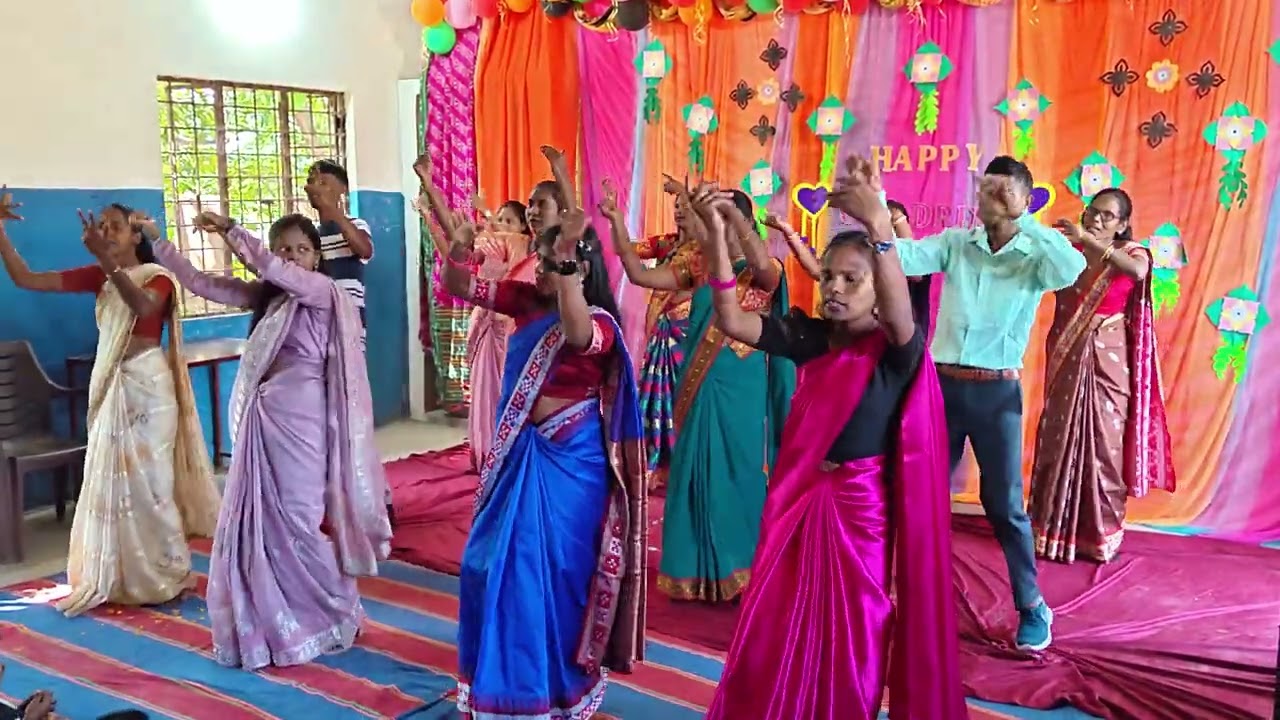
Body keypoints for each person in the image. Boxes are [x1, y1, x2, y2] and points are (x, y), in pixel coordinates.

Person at [700, 157, 965, 720]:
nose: (836, 289)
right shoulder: (813, 338)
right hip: (800, 502)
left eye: (852, 279)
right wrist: (718, 238)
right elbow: (733, 320)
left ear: (878, 287)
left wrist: (881, 229)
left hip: (860, 511)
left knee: (857, 629)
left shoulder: (897, 353)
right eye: (829, 278)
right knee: (780, 617)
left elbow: (899, 313)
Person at [431, 196, 647, 718]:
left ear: (580, 268)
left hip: (572, 465)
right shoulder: (525, 301)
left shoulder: (597, 322)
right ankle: (503, 683)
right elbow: (462, 287)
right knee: (487, 566)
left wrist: (567, 265)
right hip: (518, 456)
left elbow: (576, 334)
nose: (544, 273)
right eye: (546, 264)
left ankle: (552, 687)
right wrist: (459, 246)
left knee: (546, 575)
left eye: (555, 265)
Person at [150, 210, 391, 669]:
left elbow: (274, 270)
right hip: (264, 419)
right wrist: (156, 242)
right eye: (283, 248)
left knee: (299, 519)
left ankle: (334, 609)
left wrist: (233, 231)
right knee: (257, 524)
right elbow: (202, 283)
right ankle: (272, 620)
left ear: (317, 258)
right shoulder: (271, 298)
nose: (292, 257)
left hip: (303, 423)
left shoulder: (323, 292)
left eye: (302, 249)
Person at [893, 155, 1087, 652]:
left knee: (1003, 506)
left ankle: (1031, 607)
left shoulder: (1034, 256)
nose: (987, 199)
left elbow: (1073, 268)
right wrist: (877, 218)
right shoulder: (958, 244)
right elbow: (904, 258)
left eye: (1000, 192)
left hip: (997, 392)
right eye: (984, 190)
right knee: (922, 494)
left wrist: (1026, 223)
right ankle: (914, 599)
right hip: (942, 387)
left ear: (1023, 198)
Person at [0, 192, 219, 617]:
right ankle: (118, 576)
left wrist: (106, 262)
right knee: (114, 488)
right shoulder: (101, 274)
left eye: (114, 226)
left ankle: (160, 575)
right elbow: (27, 279)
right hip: (113, 386)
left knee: (150, 489)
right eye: (100, 227)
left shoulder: (157, 277)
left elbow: (140, 308)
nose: (105, 232)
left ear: (137, 234)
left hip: (149, 392)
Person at [612, 182, 795, 603]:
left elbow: (762, 266)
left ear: (745, 224)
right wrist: (617, 226)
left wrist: (732, 220)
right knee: (694, 470)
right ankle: (692, 571)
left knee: (740, 472)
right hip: (697, 384)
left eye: (728, 220)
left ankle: (741, 564)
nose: (718, 227)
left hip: (743, 392)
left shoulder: (765, 271)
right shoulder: (700, 267)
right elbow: (640, 274)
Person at [1030, 188, 1175, 563]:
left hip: (1109, 362)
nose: (1096, 219)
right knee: (1060, 438)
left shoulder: (1133, 253)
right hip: (1068, 354)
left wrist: (1092, 243)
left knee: (1104, 447)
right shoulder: (1071, 251)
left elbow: (1139, 273)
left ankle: (1099, 535)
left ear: (1123, 224)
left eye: (1107, 216)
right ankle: (1051, 532)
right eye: (1092, 212)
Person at [415, 154, 537, 470]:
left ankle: (508, 449)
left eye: (508, 219)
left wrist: (483, 213)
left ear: (524, 226)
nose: (500, 223)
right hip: (485, 321)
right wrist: (430, 190)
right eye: (499, 218)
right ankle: (488, 450)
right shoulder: (491, 244)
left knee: (506, 388)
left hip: (508, 326)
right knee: (485, 390)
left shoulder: (522, 245)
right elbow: (456, 245)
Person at [601, 176, 702, 488]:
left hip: (682, 339)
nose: (681, 211)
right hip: (659, 334)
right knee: (657, 401)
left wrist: (688, 193)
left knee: (679, 400)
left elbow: (641, 275)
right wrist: (616, 218)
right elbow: (627, 250)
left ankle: (677, 465)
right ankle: (654, 464)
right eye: (677, 206)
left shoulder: (703, 256)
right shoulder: (668, 244)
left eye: (688, 206)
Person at [772, 199, 931, 329]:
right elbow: (816, 270)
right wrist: (789, 234)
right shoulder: (867, 257)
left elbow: (915, 272)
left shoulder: (915, 260)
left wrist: (894, 216)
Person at [306, 160, 373, 349]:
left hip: (349, 321)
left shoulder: (356, 225)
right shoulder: (310, 235)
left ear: (342, 189)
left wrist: (333, 211)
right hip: (318, 323)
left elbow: (365, 250)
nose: (315, 188)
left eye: (323, 183)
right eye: (311, 182)